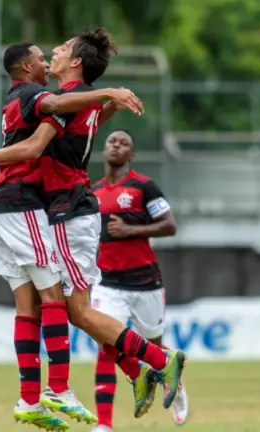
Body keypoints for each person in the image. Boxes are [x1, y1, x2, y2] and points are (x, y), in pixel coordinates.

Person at [0, 27, 187, 419]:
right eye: (45, 52)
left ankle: (157, 361)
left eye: (57, 50)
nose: (50, 54)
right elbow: (85, 116)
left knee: (73, 308)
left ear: (74, 62)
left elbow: (34, 146)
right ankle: (135, 369)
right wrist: (109, 98)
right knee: (70, 309)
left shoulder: (61, 101)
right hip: (62, 208)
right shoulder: (68, 100)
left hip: (69, 209)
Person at [89, 130, 188, 431]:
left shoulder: (144, 187)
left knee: (154, 346)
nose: (116, 145)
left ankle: (177, 385)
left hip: (145, 282)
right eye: (111, 141)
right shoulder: (92, 193)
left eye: (124, 143)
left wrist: (131, 230)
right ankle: (104, 424)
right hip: (107, 283)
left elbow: (170, 226)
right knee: (106, 344)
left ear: (131, 155)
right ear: (103, 151)